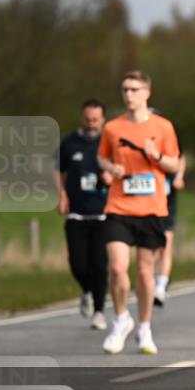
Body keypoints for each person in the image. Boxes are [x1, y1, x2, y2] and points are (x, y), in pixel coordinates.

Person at [96, 70, 181, 355]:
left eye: (134, 89)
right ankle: (121, 319)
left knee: (145, 273)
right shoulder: (112, 128)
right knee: (118, 267)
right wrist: (110, 168)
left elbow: (173, 164)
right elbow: (102, 156)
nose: (129, 94)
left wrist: (155, 155)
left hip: (152, 209)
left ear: (147, 92)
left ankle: (144, 326)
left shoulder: (163, 126)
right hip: (119, 206)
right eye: (125, 89)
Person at [55, 98, 111, 330]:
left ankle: (99, 311)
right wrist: (62, 195)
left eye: (96, 120)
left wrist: (111, 177)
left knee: (100, 264)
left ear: (103, 119)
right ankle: (86, 290)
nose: (91, 123)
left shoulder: (110, 141)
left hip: (104, 214)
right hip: (77, 213)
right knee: (78, 263)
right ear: (82, 117)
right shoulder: (70, 142)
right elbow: (57, 169)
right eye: (88, 119)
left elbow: (123, 168)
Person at [151, 107, 186, 308]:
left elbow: (181, 157)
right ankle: (156, 279)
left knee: (166, 242)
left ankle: (161, 286)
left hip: (167, 198)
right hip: (147, 201)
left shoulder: (168, 136)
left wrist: (179, 177)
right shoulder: (141, 141)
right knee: (153, 246)